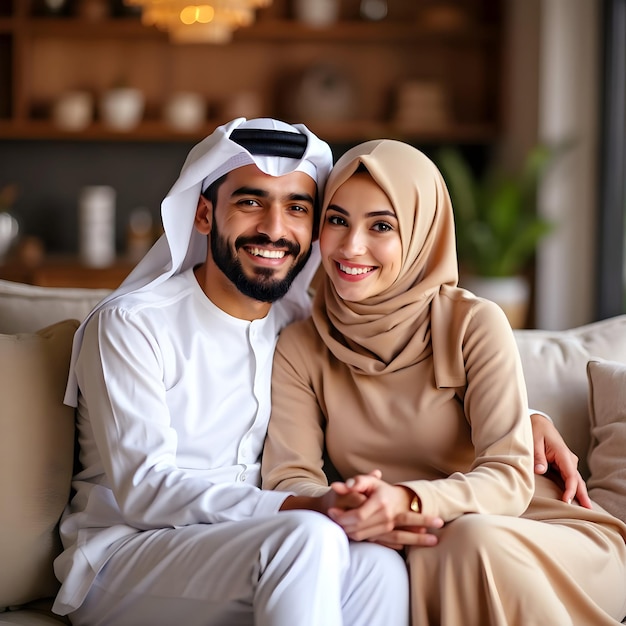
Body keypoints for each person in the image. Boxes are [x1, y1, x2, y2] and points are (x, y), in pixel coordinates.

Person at [52, 118, 410, 626]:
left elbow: (402, 378)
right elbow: (145, 487)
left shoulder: (302, 325)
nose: (274, 227)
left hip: (252, 548)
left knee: (379, 564)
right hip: (125, 556)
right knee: (310, 535)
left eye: (298, 208)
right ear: (203, 213)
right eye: (250, 201)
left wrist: (519, 416)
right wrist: (300, 507)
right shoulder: (132, 324)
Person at [261, 139, 626, 625]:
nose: (351, 246)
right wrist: (349, 512)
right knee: (440, 546)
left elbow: (511, 477)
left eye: (382, 226)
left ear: (422, 232)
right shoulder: (301, 346)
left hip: (543, 535)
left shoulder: (473, 323)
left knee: (462, 539)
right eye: (336, 219)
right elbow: (290, 479)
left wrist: (408, 502)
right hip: (431, 543)